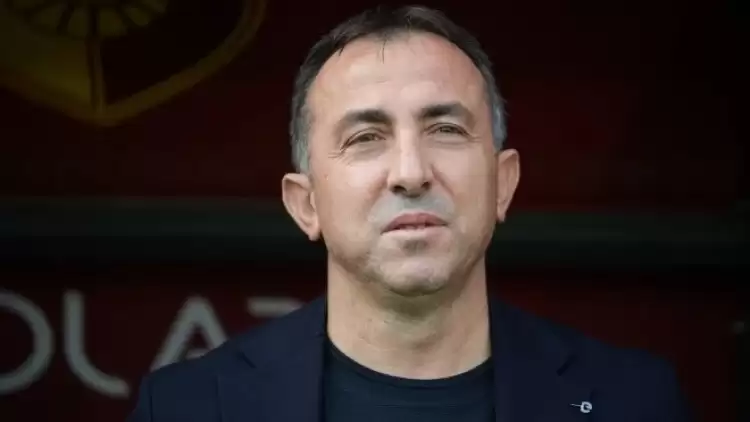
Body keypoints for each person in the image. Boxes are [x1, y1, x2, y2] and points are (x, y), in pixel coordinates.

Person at [127, 5, 692, 422]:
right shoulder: (186, 408)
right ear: (306, 204)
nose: (411, 172)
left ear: (504, 184)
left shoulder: (634, 403)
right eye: (366, 137)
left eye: (445, 129)